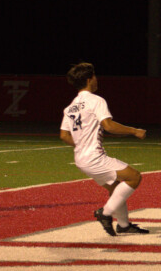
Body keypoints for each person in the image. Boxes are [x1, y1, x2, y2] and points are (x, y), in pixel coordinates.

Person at [60, 62, 149, 236]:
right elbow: (108, 125)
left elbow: (64, 135)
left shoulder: (70, 107)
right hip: (94, 157)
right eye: (94, 76)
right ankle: (105, 213)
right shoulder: (96, 100)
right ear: (88, 79)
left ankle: (123, 225)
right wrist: (134, 131)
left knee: (116, 189)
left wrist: (81, 143)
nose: (96, 79)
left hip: (80, 159)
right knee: (134, 177)